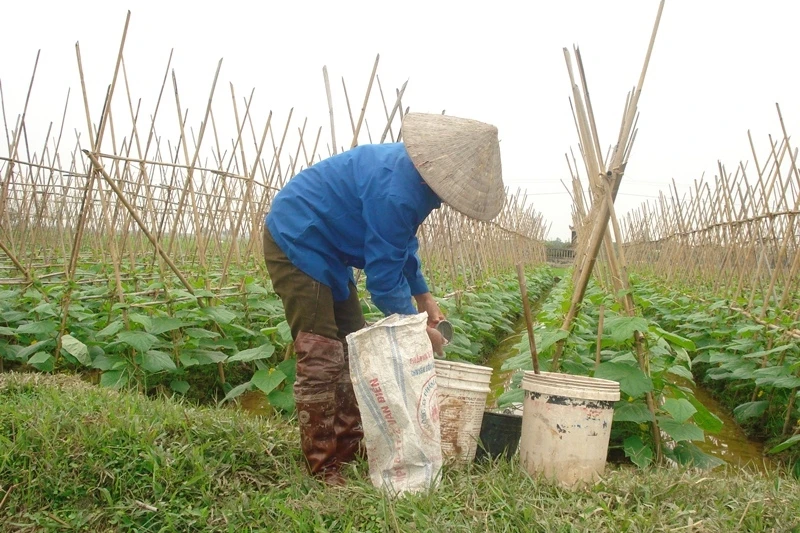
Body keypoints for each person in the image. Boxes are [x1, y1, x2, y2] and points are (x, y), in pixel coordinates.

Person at [262, 112, 505, 485]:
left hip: (330, 248)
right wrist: (417, 330)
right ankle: (323, 464)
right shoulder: (397, 190)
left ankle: (350, 447)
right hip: (297, 237)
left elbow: (402, 245)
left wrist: (424, 299)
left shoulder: (415, 178)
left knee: (354, 344)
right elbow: (383, 280)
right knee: (321, 351)